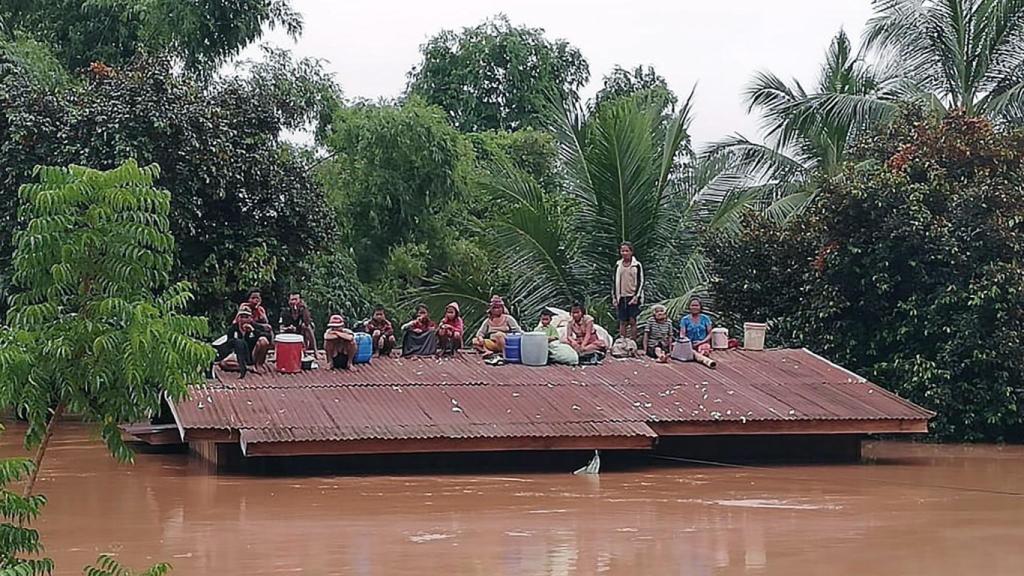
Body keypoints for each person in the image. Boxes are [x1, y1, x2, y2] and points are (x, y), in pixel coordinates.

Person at [217, 304, 272, 377]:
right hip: (239, 355)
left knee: (263, 341)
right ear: (238, 318)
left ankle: (258, 364)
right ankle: (248, 368)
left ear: (250, 318)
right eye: (242, 317)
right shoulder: (233, 328)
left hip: (253, 354)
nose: (244, 320)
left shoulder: (255, 326)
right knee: (224, 363)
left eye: (246, 317)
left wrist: (253, 331)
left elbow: (268, 337)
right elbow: (229, 343)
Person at [612, 242, 644, 341]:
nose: (625, 253)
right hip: (621, 296)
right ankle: (622, 342)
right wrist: (614, 297)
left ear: (631, 252)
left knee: (632, 320)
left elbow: (641, 281)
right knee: (622, 321)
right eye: (622, 251)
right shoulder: (618, 265)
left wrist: (636, 297)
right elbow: (614, 282)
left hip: (632, 296)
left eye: (627, 251)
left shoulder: (637, 265)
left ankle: (633, 342)